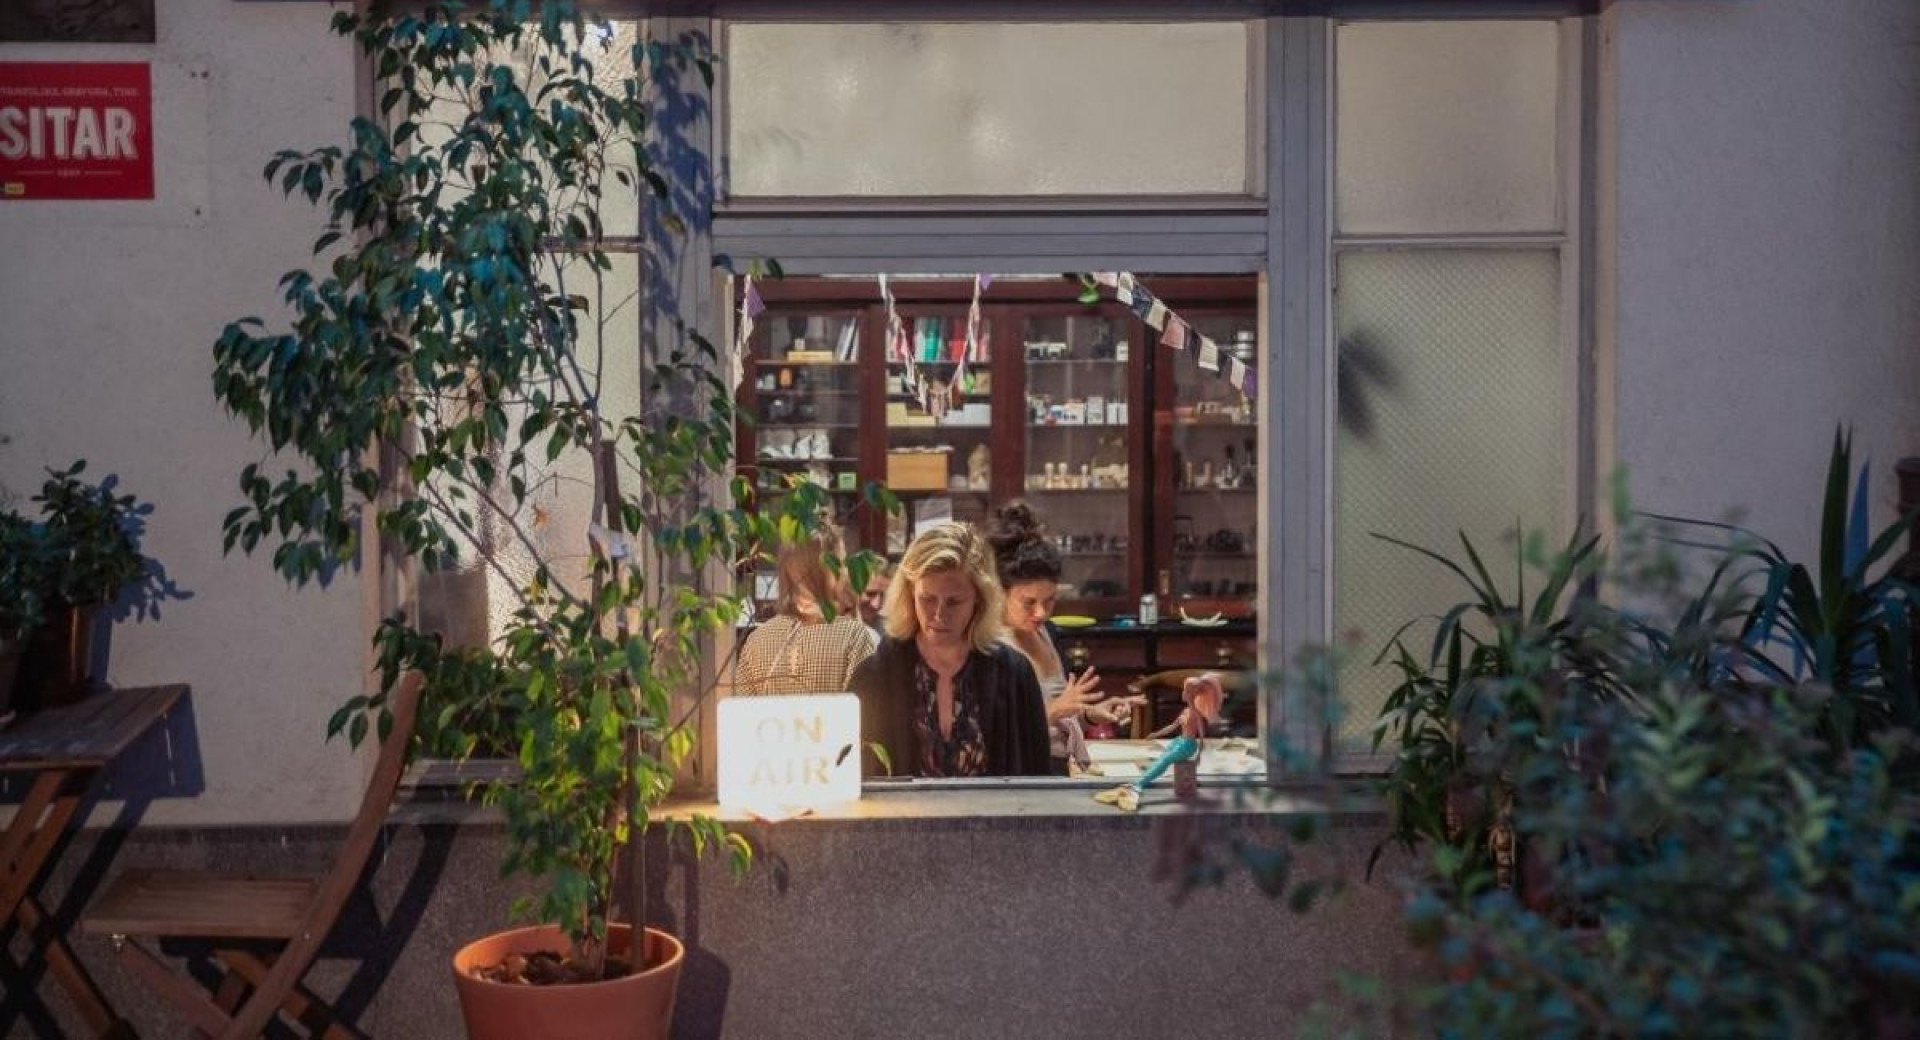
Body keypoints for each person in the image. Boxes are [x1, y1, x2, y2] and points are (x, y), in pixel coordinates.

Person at [849, 522, 1050, 778]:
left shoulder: (1014, 674)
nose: (939, 615)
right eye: (928, 599)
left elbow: (1040, 782)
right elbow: (851, 777)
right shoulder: (876, 675)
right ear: (910, 593)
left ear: (979, 598)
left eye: (954, 601)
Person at [983, 501, 1132, 776]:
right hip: (1022, 778)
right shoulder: (991, 648)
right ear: (1000, 593)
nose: (1041, 612)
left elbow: (1059, 725)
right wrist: (1053, 710)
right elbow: (992, 736)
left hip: (1058, 768)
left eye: (1050, 601)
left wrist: (1089, 714)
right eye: (1028, 602)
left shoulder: (1046, 633)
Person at [732, 525, 876, 696]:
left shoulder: (757, 641)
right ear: (831, 570)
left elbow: (743, 714)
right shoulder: (854, 637)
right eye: (841, 562)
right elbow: (867, 713)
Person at [1095, 672, 1225, 812]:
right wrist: (1156, 734)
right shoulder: (1186, 711)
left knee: (1164, 761)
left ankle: (1138, 786)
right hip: (1180, 741)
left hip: (1188, 745)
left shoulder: (1195, 714)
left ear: (1192, 693)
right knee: (1161, 758)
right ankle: (1140, 782)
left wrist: (1199, 755)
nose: (1183, 693)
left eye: (1186, 690)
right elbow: (1172, 726)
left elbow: (1202, 735)